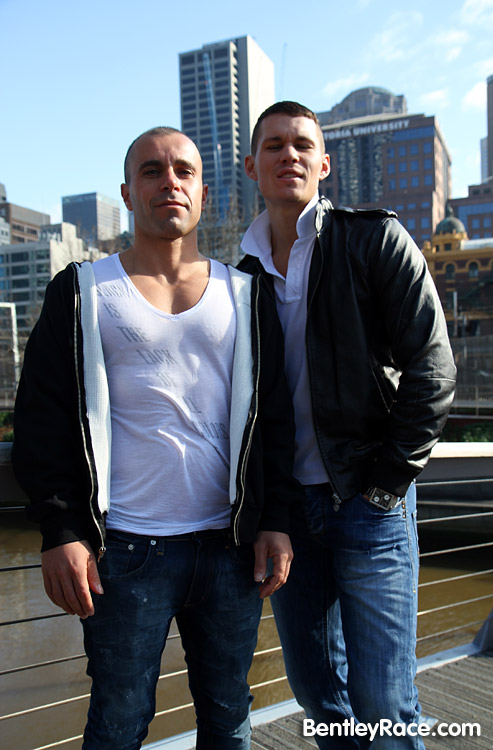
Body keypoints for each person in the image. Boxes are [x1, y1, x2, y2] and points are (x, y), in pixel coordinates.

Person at [12, 126, 303, 750]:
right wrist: (60, 530)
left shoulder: (246, 292)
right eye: (151, 170)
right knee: (118, 724)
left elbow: (274, 420)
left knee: (229, 717)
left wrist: (276, 520)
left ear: (202, 191)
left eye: (183, 171)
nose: (169, 182)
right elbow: (41, 417)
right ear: (127, 192)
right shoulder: (83, 290)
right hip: (122, 553)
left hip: (230, 548)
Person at [239, 101, 457, 749]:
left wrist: (386, 486)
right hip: (289, 517)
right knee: (318, 694)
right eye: (274, 145)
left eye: (303, 144)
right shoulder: (239, 277)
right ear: (252, 166)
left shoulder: (373, 239)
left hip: (369, 502)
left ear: (325, 164)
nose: (289, 154)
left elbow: (433, 368)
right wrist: (266, 511)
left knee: (385, 703)